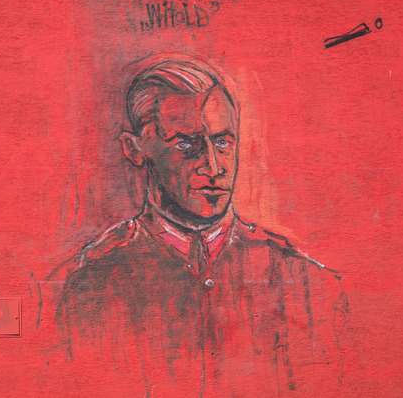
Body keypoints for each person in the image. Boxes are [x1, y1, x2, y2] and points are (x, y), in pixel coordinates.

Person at [54, 56, 349, 397]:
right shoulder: (91, 280)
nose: (213, 166)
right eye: (185, 144)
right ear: (135, 149)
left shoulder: (303, 280)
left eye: (223, 142)